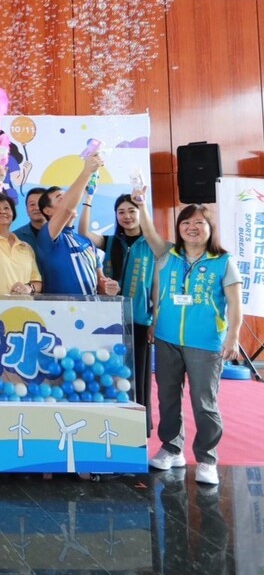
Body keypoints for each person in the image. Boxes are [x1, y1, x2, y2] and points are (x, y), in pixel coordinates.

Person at [148, 204, 243, 486]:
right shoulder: (168, 255)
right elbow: (149, 233)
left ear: (210, 228)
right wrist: (140, 205)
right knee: (168, 397)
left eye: (199, 223)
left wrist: (233, 336)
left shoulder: (223, 261)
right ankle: (171, 448)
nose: (192, 228)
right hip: (166, 339)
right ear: (178, 228)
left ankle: (207, 459)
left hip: (205, 342)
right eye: (186, 223)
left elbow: (235, 304)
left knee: (204, 402)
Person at [78, 187, 167, 425]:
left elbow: (157, 286)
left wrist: (154, 321)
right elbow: (84, 232)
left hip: (139, 320)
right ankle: (111, 422)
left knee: (138, 375)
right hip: (109, 321)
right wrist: (88, 198)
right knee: (110, 372)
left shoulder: (152, 246)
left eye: (131, 211)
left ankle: (139, 425)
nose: (126, 216)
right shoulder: (110, 242)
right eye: (121, 212)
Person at [34, 154, 118, 296]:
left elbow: (101, 283)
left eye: (69, 197)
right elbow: (67, 208)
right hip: (59, 309)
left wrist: (109, 287)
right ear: (47, 211)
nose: (70, 201)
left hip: (92, 308)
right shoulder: (46, 237)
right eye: (61, 198)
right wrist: (87, 171)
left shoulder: (86, 242)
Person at [0, 163, 42, 296]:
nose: (2, 211)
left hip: (22, 307)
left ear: (13, 214)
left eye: (6, 208)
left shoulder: (25, 247)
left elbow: (37, 281)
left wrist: (29, 288)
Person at [13, 187, 47, 254]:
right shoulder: (15, 237)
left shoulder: (62, 234)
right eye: (32, 204)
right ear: (27, 210)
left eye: (41, 203)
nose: (37, 208)